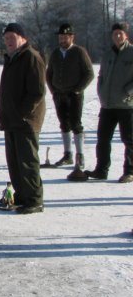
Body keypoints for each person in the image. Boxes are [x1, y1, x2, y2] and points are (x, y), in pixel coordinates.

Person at [0, 23, 46, 214]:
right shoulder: (11, 59)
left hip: (26, 120)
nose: (8, 41)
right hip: (11, 120)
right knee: (14, 161)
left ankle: (34, 199)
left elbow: (37, 92)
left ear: (22, 38)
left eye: (12, 37)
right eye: (6, 38)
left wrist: (22, 113)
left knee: (27, 161)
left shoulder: (31, 57)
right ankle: (22, 195)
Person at [84, 22, 133, 183]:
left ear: (126, 35)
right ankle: (101, 169)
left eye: (120, 33)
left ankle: (129, 171)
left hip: (127, 105)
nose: (117, 36)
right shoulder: (108, 54)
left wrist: (128, 91)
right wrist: (101, 91)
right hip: (108, 105)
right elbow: (101, 76)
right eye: (115, 34)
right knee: (103, 139)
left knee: (129, 140)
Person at [45, 23, 94, 168]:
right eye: (60, 37)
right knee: (64, 124)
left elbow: (89, 74)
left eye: (65, 37)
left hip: (74, 95)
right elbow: (49, 74)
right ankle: (67, 154)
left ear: (71, 37)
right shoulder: (55, 53)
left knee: (76, 124)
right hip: (59, 95)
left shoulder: (79, 52)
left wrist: (78, 90)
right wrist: (53, 91)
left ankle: (80, 155)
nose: (62, 40)